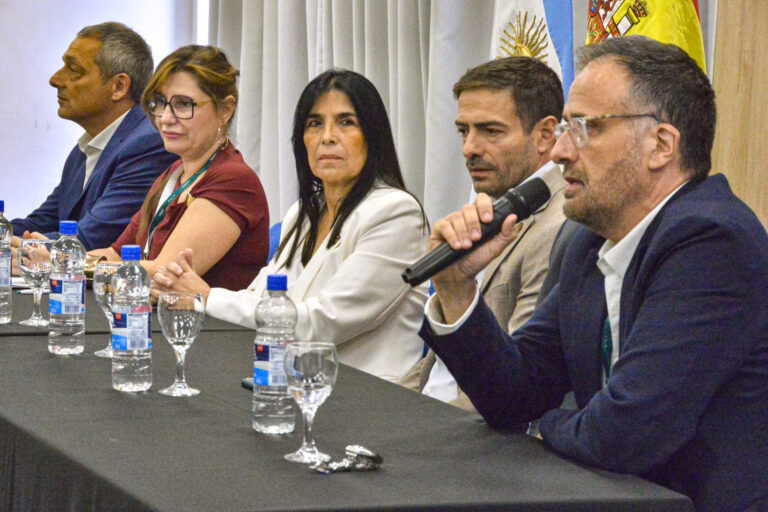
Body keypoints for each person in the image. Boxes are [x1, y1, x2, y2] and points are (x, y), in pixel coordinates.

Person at [420, 36, 768, 511]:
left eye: (583, 128)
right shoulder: (589, 241)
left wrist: (544, 426)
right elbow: (514, 394)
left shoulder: (711, 241)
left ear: (661, 145)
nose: (560, 151)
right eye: (564, 127)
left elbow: (628, 432)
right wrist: (456, 287)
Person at [153, 69, 430, 382]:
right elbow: (259, 297)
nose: (327, 137)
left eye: (346, 122)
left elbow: (323, 323)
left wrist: (205, 297)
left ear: (373, 136)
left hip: (367, 398)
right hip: (289, 382)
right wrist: (185, 287)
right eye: (314, 124)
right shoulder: (305, 212)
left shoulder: (396, 213)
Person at [400, 57, 568, 412]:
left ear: (545, 135)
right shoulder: (493, 202)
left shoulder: (561, 226)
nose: (469, 148)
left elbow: (518, 385)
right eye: (464, 131)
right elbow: (436, 369)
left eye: (491, 131)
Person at [88, 45, 269, 291]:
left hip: (208, 329)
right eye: (160, 103)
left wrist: (76, 267)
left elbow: (165, 272)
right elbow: (116, 254)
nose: (165, 118)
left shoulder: (233, 180)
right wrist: (55, 258)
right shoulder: (173, 174)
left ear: (225, 110)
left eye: (183, 104)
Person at [11, 22, 175, 253]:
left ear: (118, 86)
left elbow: (92, 238)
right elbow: (40, 222)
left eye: (73, 69)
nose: (55, 80)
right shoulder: (84, 148)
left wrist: (22, 245)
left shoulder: (148, 143)